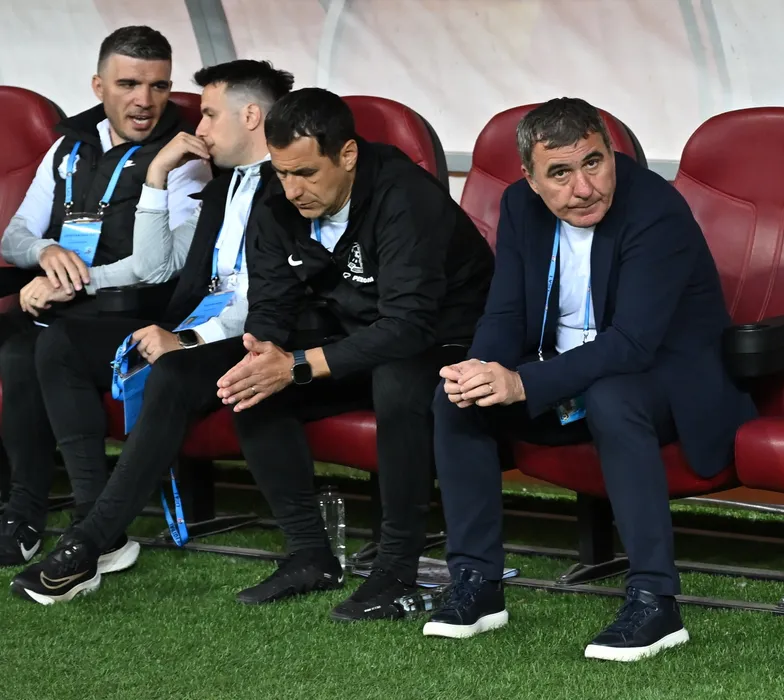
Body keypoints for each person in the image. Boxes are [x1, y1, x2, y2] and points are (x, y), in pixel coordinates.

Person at [423, 98, 757, 661]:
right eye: (560, 173)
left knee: (611, 395)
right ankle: (477, 584)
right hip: (568, 378)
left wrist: (523, 384)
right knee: (456, 398)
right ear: (530, 179)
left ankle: (655, 601)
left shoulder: (654, 208)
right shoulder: (519, 206)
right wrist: (481, 372)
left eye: (594, 163)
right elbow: (505, 314)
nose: (584, 188)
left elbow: (632, 343)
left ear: (611, 153)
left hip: (667, 383)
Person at [8, 59, 294, 605]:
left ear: (251, 116)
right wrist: (156, 176)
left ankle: (89, 541)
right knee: (59, 343)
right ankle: (93, 520)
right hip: (195, 323)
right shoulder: (225, 183)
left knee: (170, 370)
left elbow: (269, 301)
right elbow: (159, 266)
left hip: (246, 336)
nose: (198, 126)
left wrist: (185, 339)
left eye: (208, 114)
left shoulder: (289, 187)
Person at [212, 87, 494, 614]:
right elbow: (272, 298)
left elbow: (407, 326)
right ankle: (309, 555)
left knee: (397, 380)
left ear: (347, 154)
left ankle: (396, 570)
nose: (292, 189)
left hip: (449, 341)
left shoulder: (406, 197)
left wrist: (298, 366)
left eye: (306, 173)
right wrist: (264, 350)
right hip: (362, 338)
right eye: (282, 173)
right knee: (252, 387)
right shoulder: (278, 198)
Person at [0, 25, 211, 568]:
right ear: (99, 86)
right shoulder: (68, 145)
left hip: (136, 311)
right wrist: (46, 252)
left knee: (39, 349)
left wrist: (70, 281)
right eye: (128, 84)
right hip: (62, 306)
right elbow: (14, 235)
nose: (145, 101)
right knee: (18, 348)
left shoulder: (185, 155)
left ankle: (92, 522)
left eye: (158, 86)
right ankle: (23, 515)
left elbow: (164, 266)